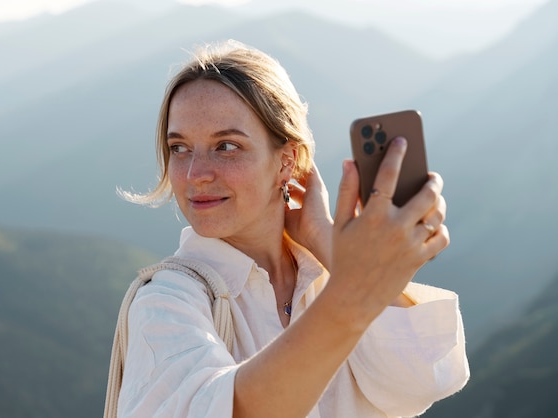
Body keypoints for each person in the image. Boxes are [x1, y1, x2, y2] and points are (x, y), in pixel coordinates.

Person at [115, 39, 469, 417]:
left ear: (287, 161)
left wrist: (328, 244)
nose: (194, 174)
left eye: (227, 147)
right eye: (180, 148)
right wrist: (354, 287)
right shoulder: (167, 301)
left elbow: (424, 380)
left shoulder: (323, 280)